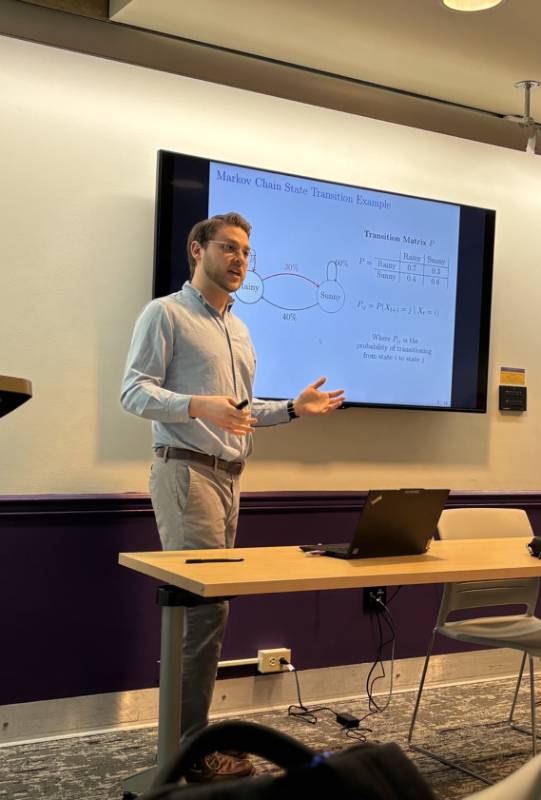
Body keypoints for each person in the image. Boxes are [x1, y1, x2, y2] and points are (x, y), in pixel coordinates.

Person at [121, 211, 344, 782]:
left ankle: (191, 745)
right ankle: (191, 752)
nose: (240, 259)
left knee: (211, 612)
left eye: (246, 251)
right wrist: (197, 405)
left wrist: (292, 409)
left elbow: (238, 412)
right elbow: (133, 392)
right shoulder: (166, 313)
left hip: (229, 477)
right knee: (201, 614)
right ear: (197, 250)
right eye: (229, 247)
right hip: (187, 472)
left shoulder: (237, 330)